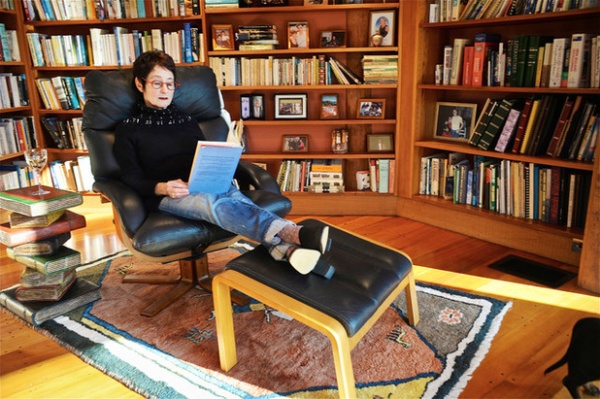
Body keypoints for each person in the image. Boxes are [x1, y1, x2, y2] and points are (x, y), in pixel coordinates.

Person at [113, 51, 334, 279]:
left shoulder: (187, 121)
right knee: (212, 202)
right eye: (157, 83)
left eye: (170, 84)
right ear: (140, 84)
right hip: (169, 195)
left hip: (204, 183)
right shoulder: (128, 129)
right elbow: (130, 177)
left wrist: (220, 164)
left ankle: (286, 250)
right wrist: (163, 187)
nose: (165, 90)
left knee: (232, 196)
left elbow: (200, 155)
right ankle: (293, 232)